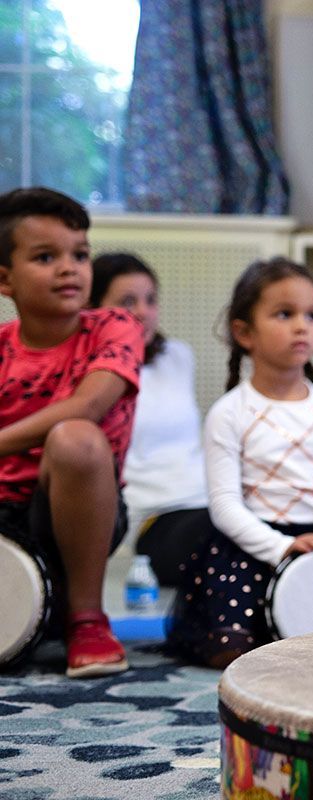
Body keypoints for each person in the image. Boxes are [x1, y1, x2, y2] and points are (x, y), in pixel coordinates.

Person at [167, 257, 313, 668]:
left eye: (311, 316)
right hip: (255, 547)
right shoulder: (229, 412)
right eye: (284, 314)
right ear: (244, 332)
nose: (302, 326)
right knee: (232, 649)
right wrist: (283, 547)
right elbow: (224, 506)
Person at [0, 187, 143, 678]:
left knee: (75, 436)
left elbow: (88, 404)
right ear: (4, 280)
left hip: (72, 509)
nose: (70, 268)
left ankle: (87, 617)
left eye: (80, 255)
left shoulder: (114, 327)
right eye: (46, 257)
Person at [90, 253, 209, 587]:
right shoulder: (91, 373)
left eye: (150, 300)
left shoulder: (178, 356)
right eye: (129, 302)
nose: (143, 312)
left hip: (208, 501)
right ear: (95, 309)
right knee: (218, 540)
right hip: (152, 517)